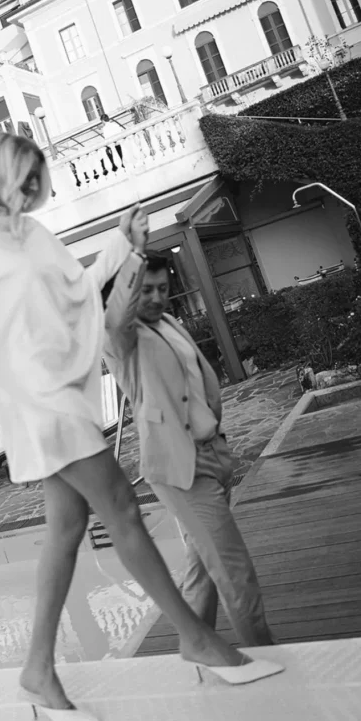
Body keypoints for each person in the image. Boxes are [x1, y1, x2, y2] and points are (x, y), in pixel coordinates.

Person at [0, 134, 282, 721]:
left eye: (41, 177)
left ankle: (38, 669)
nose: (37, 188)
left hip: (59, 393)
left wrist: (123, 246)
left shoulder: (31, 235)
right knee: (122, 510)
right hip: (33, 397)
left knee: (65, 531)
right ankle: (196, 638)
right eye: (28, 177)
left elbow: (78, 293)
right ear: (2, 175)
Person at [104, 208, 276, 650]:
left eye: (163, 288)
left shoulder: (168, 322)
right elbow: (116, 314)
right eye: (147, 289)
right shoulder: (121, 341)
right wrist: (133, 252)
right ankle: (267, 658)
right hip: (181, 467)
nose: (158, 297)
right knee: (235, 570)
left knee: (203, 568)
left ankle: (197, 655)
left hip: (211, 455)